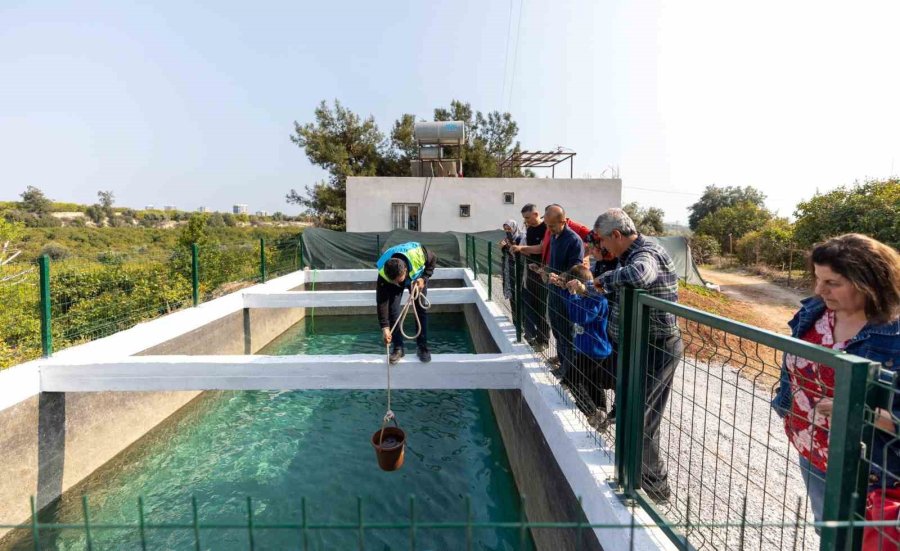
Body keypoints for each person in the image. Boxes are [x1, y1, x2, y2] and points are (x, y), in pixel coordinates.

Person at [770, 234, 900, 547]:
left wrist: (854, 407)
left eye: (833, 282)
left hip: (869, 468)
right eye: (818, 279)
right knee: (828, 532)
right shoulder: (814, 312)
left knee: (863, 540)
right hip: (812, 448)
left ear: (871, 282)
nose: (819, 290)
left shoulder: (893, 337)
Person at [578, 208, 682, 503]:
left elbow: (640, 275)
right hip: (635, 346)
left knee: (641, 422)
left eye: (603, 241)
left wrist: (601, 281)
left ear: (616, 235)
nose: (602, 249)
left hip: (656, 348)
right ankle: (632, 479)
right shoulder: (626, 256)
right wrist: (592, 286)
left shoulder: (646, 252)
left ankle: (655, 491)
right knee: (628, 414)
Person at [563, 263, 613, 428]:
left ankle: (592, 412)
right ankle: (601, 412)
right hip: (588, 349)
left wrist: (573, 295)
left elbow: (580, 317)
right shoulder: (584, 298)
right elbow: (572, 310)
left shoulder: (597, 299)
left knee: (572, 379)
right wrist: (568, 291)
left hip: (593, 350)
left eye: (572, 285)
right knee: (593, 381)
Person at [375, 241, 437, 364]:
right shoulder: (384, 273)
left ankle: (422, 346)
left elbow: (433, 259)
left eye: (400, 280)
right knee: (393, 311)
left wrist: (424, 278)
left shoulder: (418, 254)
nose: (398, 283)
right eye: (395, 281)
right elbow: (382, 301)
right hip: (395, 277)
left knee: (420, 309)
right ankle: (398, 348)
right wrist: (385, 328)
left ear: (404, 270)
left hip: (417, 278)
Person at [542, 205, 585, 379]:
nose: (549, 229)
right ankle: (562, 361)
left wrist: (561, 277)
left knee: (566, 332)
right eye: (547, 225)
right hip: (553, 290)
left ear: (562, 221)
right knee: (556, 328)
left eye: (551, 226)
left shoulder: (574, 240)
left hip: (566, 295)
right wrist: (545, 271)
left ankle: (568, 372)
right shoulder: (555, 236)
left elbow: (577, 268)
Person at [516, 204, 550, 350]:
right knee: (530, 305)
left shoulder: (546, 229)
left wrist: (521, 248)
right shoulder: (529, 230)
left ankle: (543, 340)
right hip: (530, 273)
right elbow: (531, 252)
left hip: (542, 275)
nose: (526, 221)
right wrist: (519, 251)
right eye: (524, 218)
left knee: (542, 308)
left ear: (536, 214)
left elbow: (541, 249)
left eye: (528, 217)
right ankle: (532, 335)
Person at [499, 219, 525, 321]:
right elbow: (506, 255)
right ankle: (516, 320)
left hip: (519, 271)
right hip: (508, 270)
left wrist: (510, 246)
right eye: (505, 229)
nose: (507, 230)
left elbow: (518, 255)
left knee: (520, 296)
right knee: (512, 296)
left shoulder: (521, 238)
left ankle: (522, 321)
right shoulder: (506, 239)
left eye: (509, 228)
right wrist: (502, 247)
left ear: (514, 227)